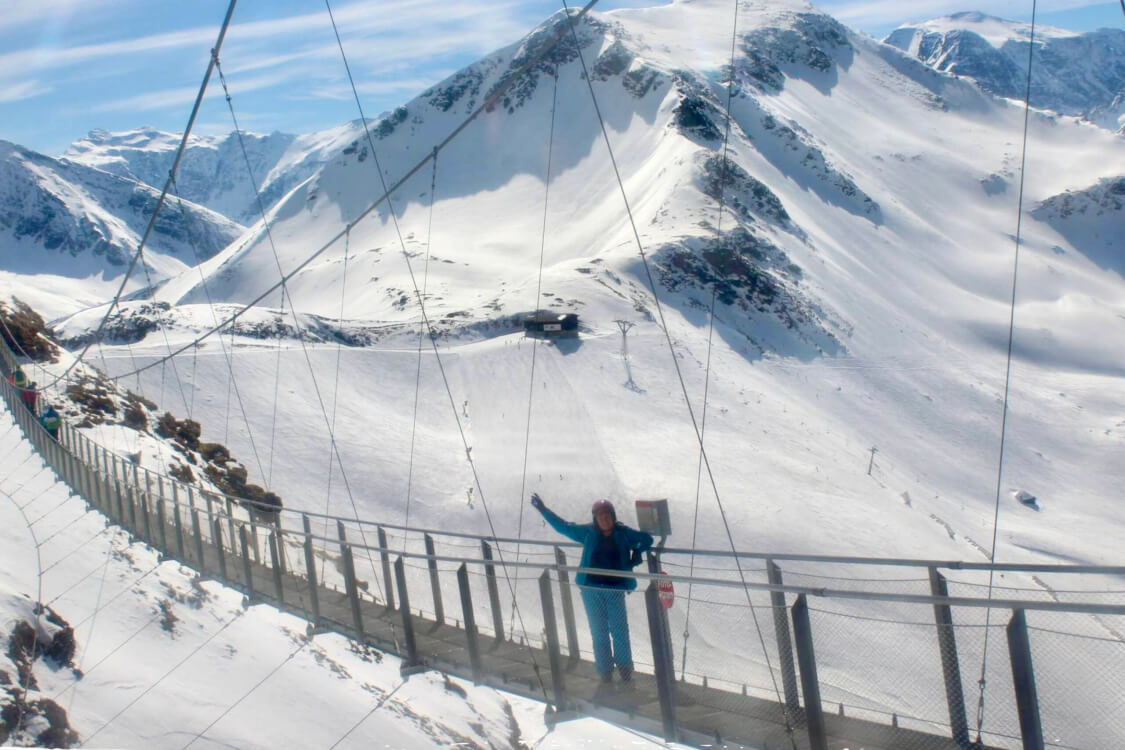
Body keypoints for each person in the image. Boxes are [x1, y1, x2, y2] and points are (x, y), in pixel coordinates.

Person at [531, 492, 653, 686]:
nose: (604, 520)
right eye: (600, 517)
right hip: (591, 589)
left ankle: (624, 671)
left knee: (619, 630)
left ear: (613, 517)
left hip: (615, 590)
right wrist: (543, 509)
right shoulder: (588, 532)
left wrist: (636, 554)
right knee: (599, 631)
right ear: (596, 519)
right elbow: (563, 527)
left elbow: (646, 539)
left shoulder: (623, 533)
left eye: (607, 516)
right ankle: (605, 673)